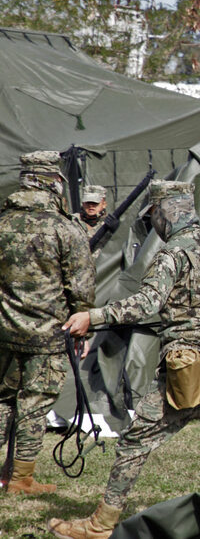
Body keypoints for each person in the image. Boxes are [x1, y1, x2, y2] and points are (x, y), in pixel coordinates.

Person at [49, 181, 200, 538]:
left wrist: (93, 317)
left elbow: (145, 305)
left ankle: (101, 526)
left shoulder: (170, 256)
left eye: (155, 217)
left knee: (135, 442)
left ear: (165, 214)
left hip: (186, 369)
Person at [0, 151, 95, 495]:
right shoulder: (64, 228)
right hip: (47, 336)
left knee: (3, 399)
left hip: (4, 332)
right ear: (53, 182)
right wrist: (85, 328)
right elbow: (81, 287)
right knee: (34, 404)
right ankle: (21, 479)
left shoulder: (3, 222)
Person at [73, 184, 109, 260]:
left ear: (104, 204)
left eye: (95, 203)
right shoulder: (72, 221)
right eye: (88, 202)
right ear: (83, 204)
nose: (91, 206)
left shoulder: (109, 223)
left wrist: (116, 230)